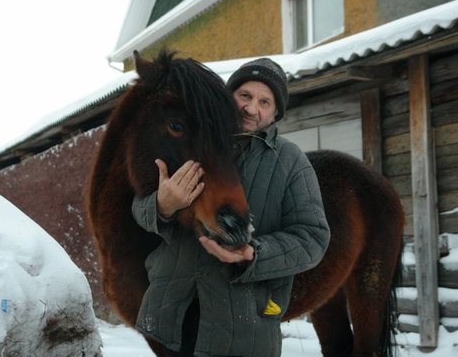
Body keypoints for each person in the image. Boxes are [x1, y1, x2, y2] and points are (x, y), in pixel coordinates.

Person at [131, 58, 331, 356]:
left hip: (242, 329)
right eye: (245, 96)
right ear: (228, 96)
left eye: (265, 101)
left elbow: (313, 238)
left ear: (276, 114)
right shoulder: (194, 138)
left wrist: (254, 255)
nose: (252, 108)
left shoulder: (290, 161)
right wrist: (161, 206)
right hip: (172, 315)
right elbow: (138, 207)